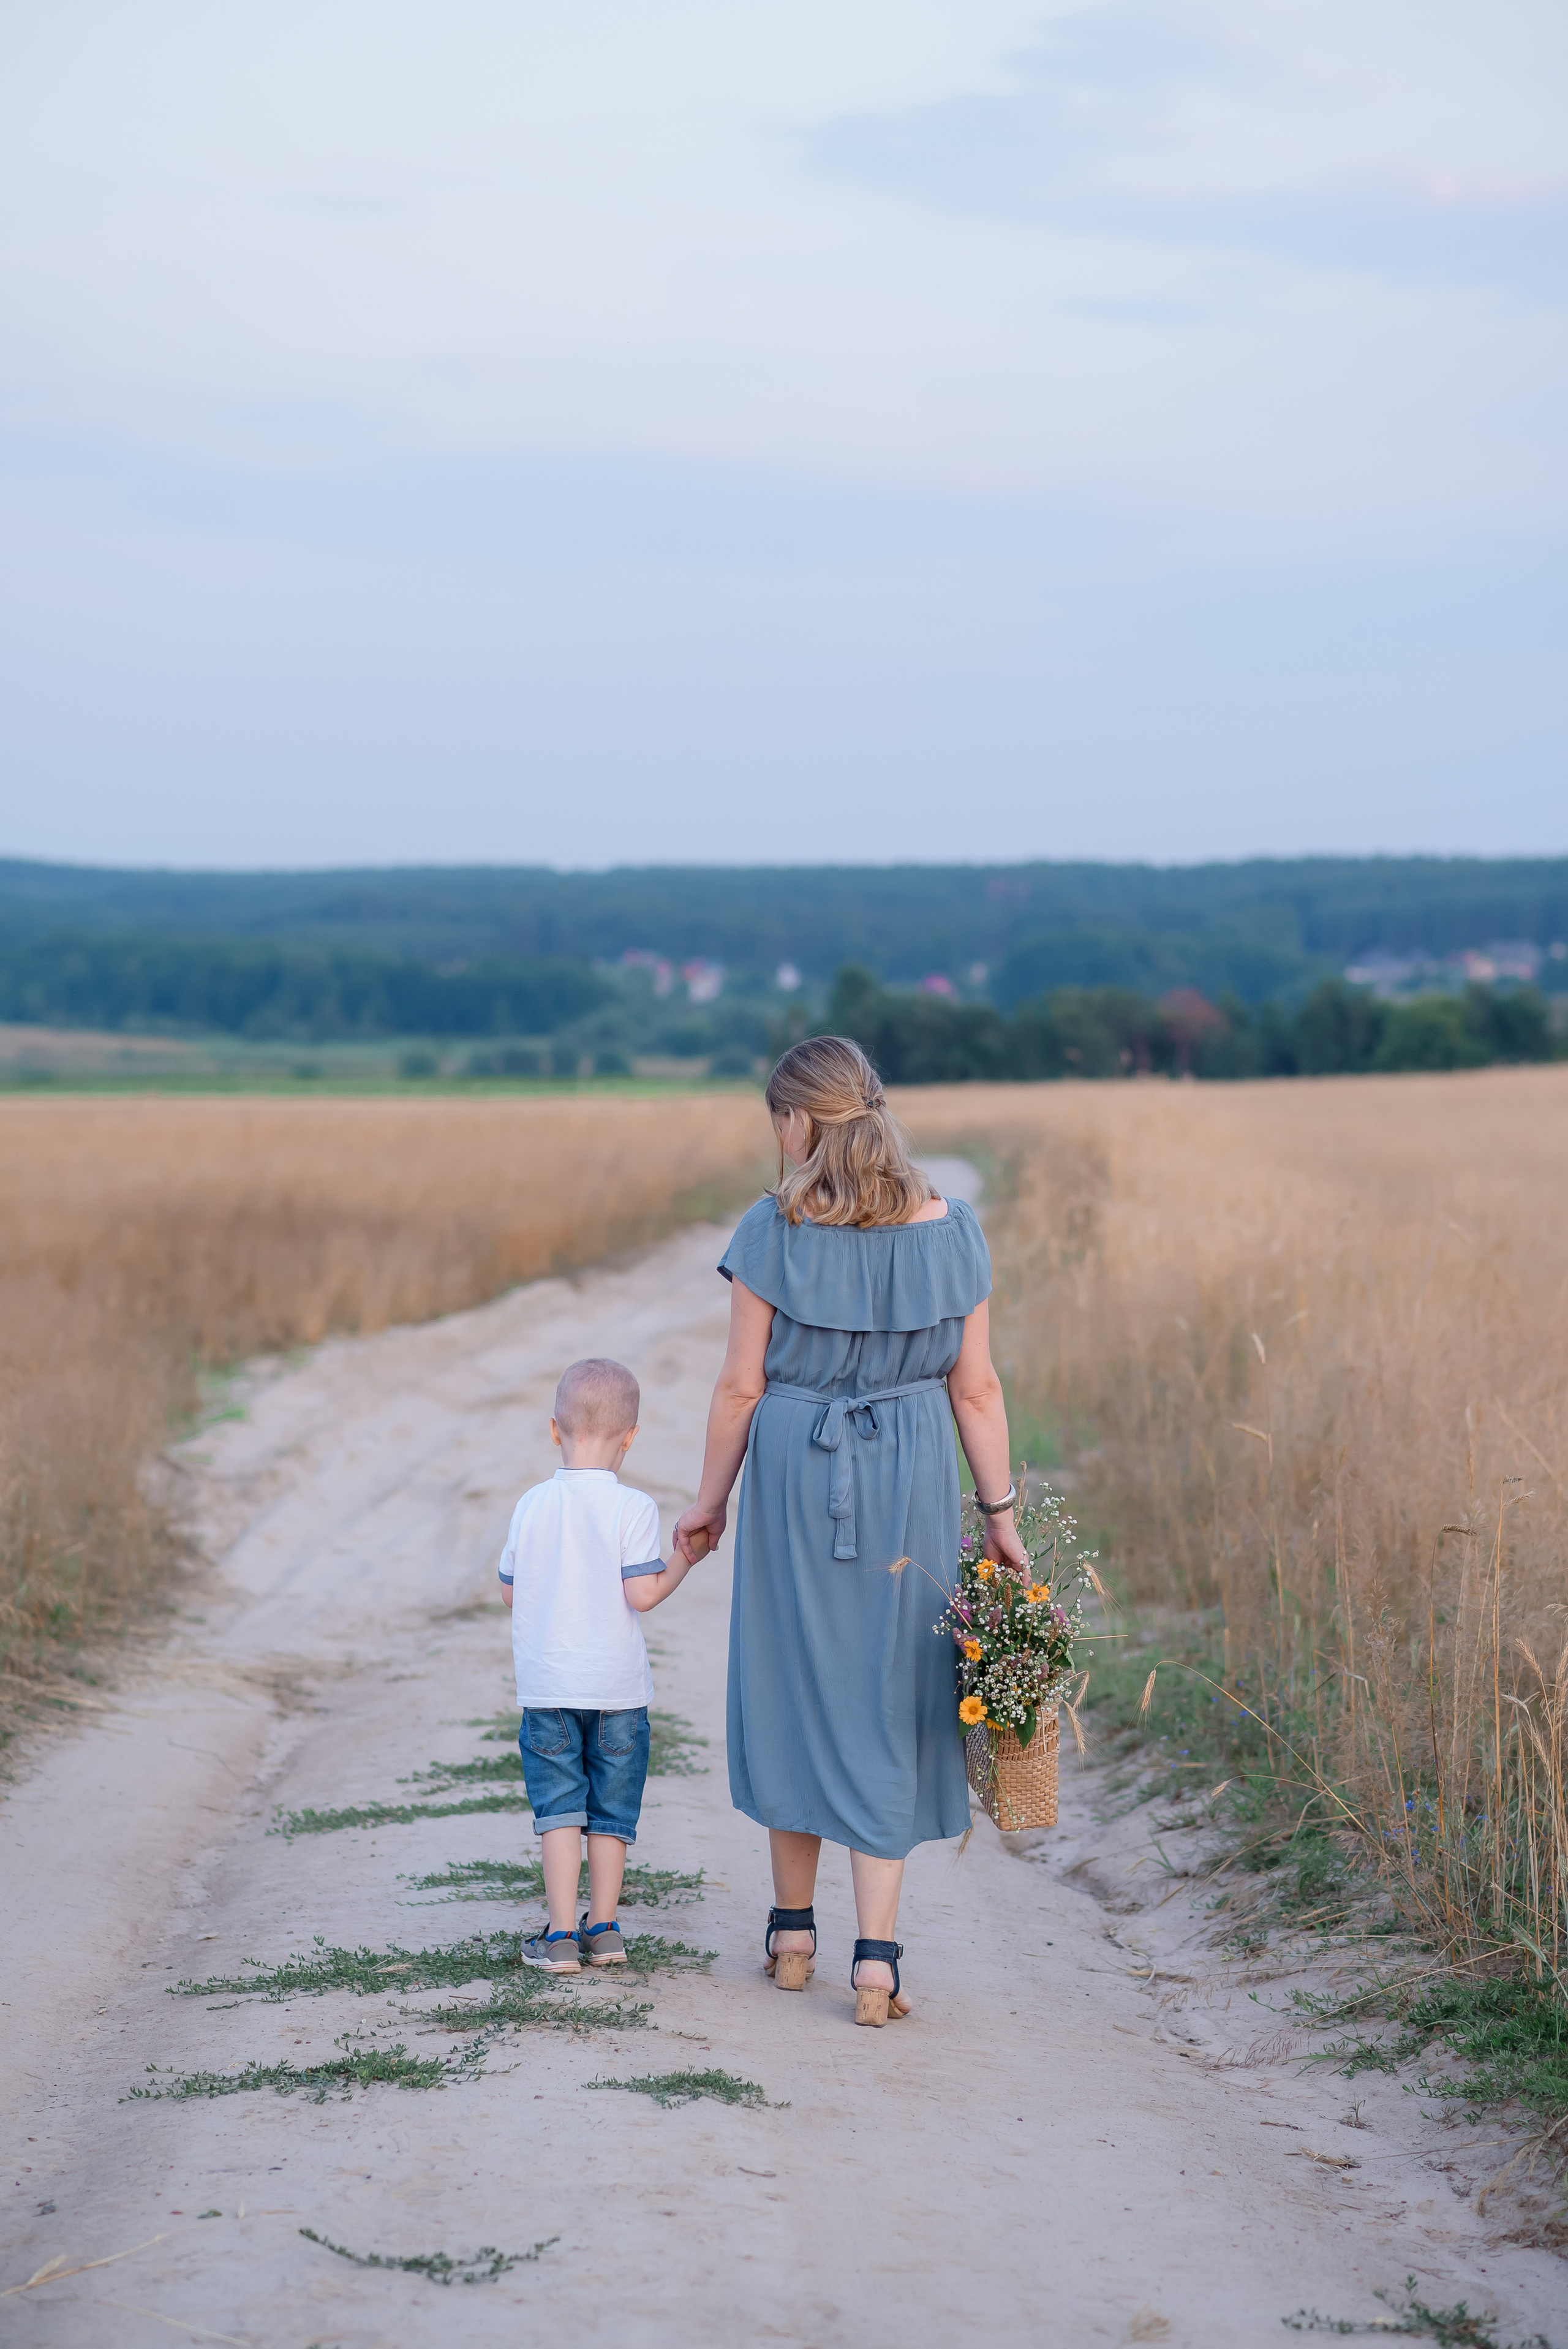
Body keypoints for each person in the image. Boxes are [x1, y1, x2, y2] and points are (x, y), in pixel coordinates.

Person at [674, 1037, 1027, 2026]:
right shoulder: (954, 1231)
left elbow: (741, 1383)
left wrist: (709, 1499)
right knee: (889, 1690)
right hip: (910, 1468)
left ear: (796, 1120)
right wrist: (999, 1515)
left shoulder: (770, 1226)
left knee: (791, 1678)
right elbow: (979, 1387)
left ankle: (792, 1933)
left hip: (796, 1466)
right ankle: (877, 1959)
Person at [499, 1355, 704, 1973]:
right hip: (617, 1692)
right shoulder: (633, 1507)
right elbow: (641, 1594)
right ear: (631, 1437)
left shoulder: (532, 1504)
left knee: (559, 1807)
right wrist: (684, 1562)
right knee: (612, 1812)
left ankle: (560, 1935)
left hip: (548, 1687)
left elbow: (511, 1591)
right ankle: (606, 1929)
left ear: (554, 1430)